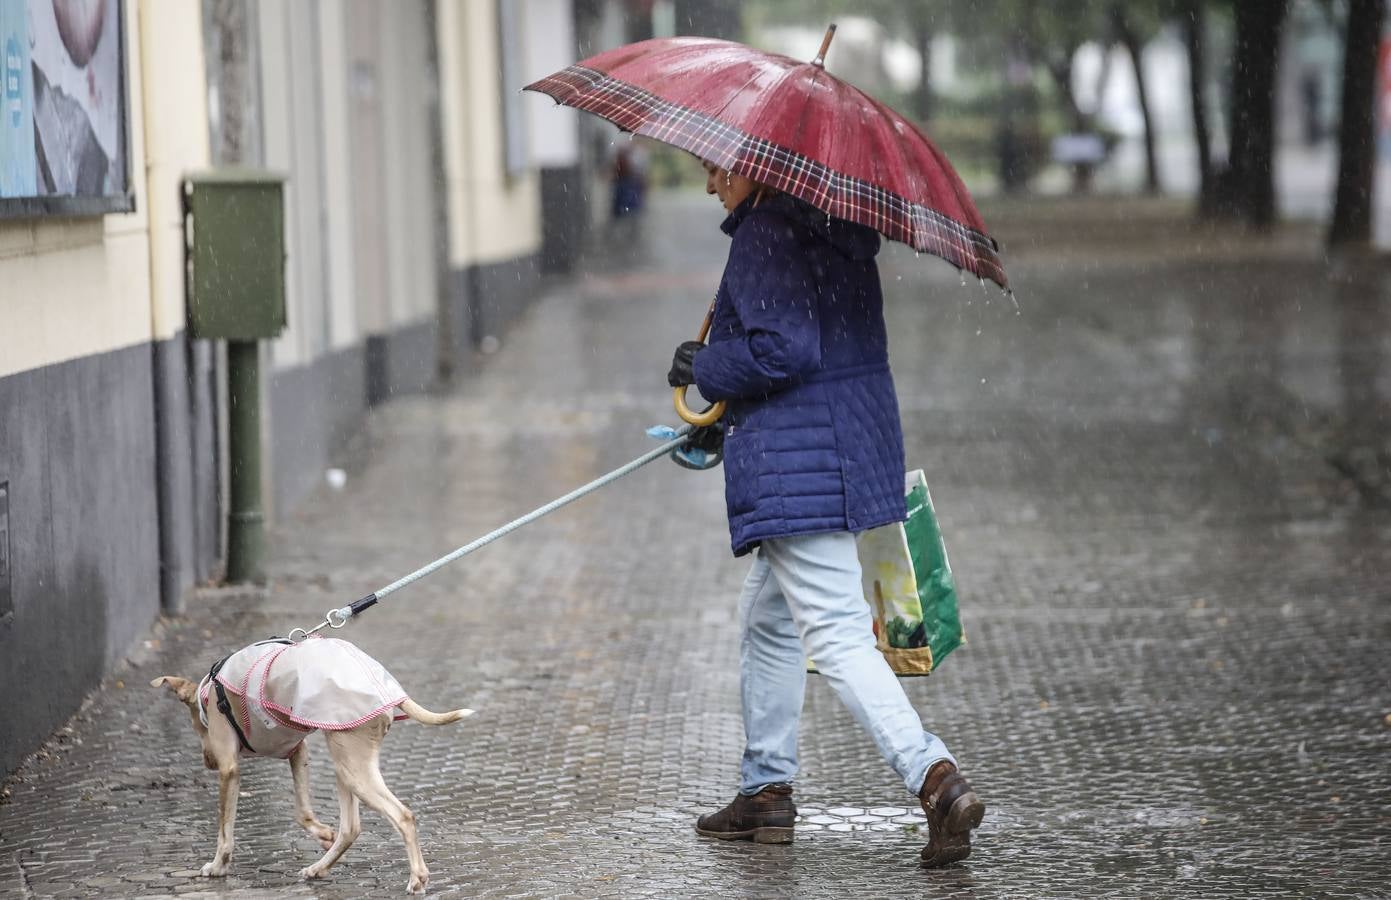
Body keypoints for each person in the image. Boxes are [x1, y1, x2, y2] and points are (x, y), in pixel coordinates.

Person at [666, 159, 985, 868]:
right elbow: (821, 346)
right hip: (846, 446)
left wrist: (705, 367)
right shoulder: (837, 227)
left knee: (838, 636)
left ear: (753, 167)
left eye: (716, 169)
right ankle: (765, 792)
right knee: (769, 620)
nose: (709, 184)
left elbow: (785, 349)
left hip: (798, 462)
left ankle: (934, 779)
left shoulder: (767, 232)